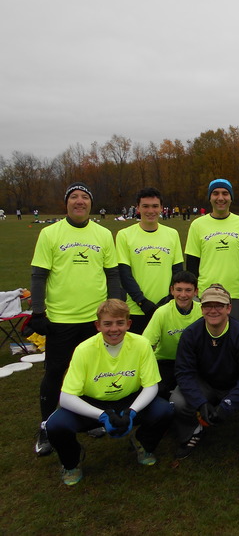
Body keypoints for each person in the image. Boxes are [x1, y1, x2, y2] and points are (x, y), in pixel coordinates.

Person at [29, 182, 123, 457]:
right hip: (61, 318)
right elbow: (38, 275)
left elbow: (112, 274)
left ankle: (91, 418)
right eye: (74, 197)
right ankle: (47, 425)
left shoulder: (103, 233)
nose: (79, 202)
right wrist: (38, 311)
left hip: (96, 319)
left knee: (93, 373)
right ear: (66, 203)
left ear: (91, 204)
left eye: (84, 197)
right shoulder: (50, 233)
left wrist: (114, 309)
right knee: (56, 373)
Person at [45, 299, 174, 485]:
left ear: (128, 324)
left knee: (165, 410)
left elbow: (151, 386)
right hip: (92, 403)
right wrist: (103, 415)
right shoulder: (83, 350)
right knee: (55, 426)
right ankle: (72, 461)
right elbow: (66, 398)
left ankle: (142, 443)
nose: (114, 329)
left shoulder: (142, 344)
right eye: (107, 324)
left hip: (129, 401)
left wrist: (132, 412)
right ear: (98, 325)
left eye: (120, 323)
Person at [171, 284, 239, 458]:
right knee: (177, 400)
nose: (213, 310)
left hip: (236, 384)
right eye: (208, 305)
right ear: (201, 309)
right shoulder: (191, 334)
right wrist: (201, 403)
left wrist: (227, 405)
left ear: (229, 308)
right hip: (205, 384)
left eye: (219, 305)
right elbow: (184, 373)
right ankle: (194, 430)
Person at [185, 178, 239, 321]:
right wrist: (193, 292)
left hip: (235, 294)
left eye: (225, 193)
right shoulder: (197, 225)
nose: (220, 198)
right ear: (210, 198)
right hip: (206, 293)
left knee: (234, 339)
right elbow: (192, 263)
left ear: (231, 197)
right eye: (215, 193)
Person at [116, 187, 184, 334]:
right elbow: (125, 275)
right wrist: (142, 302)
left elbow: (178, 272)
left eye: (154, 206)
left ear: (161, 208)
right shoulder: (124, 235)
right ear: (138, 208)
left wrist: (170, 298)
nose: (150, 211)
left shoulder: (172, 234)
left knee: (164, 354)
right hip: (137, 310)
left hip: (166, 308)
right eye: (145, 206)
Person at [142, 271, 203, 399]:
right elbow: (146, 345)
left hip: (193, 362)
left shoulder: (202, 311)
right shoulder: (162, 312)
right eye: (179, 290)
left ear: (196, 291)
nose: (183, 295)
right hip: (166, 362)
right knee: (160, 392)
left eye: (188, 290)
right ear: (172, 290)